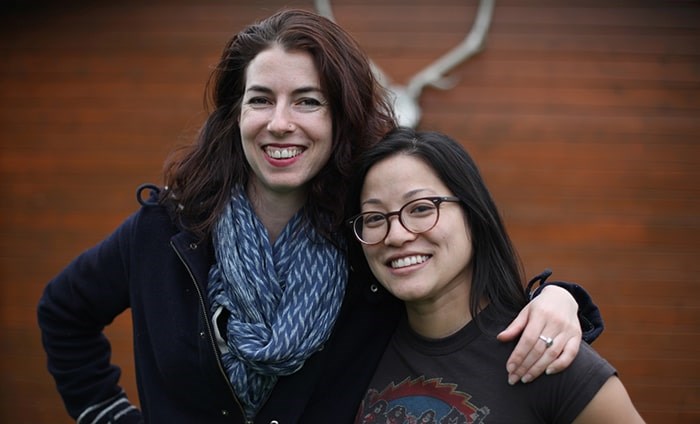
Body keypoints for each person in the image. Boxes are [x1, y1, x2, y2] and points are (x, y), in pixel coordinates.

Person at [37, 9, 601, 424]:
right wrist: (107, 414)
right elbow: (64, 311)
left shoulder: (370, 237)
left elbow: (459, 307)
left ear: (341, 117)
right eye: (261, 99)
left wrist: (560, 299)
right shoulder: (169, 231)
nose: (280, 123)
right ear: (237, 114)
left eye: (308, 101)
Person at [347, 127, 644, 423]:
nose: (396, 235)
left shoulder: (544, 358)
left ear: (474, 216)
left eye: (422, 208)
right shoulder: (354, 350)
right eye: (374, 217)